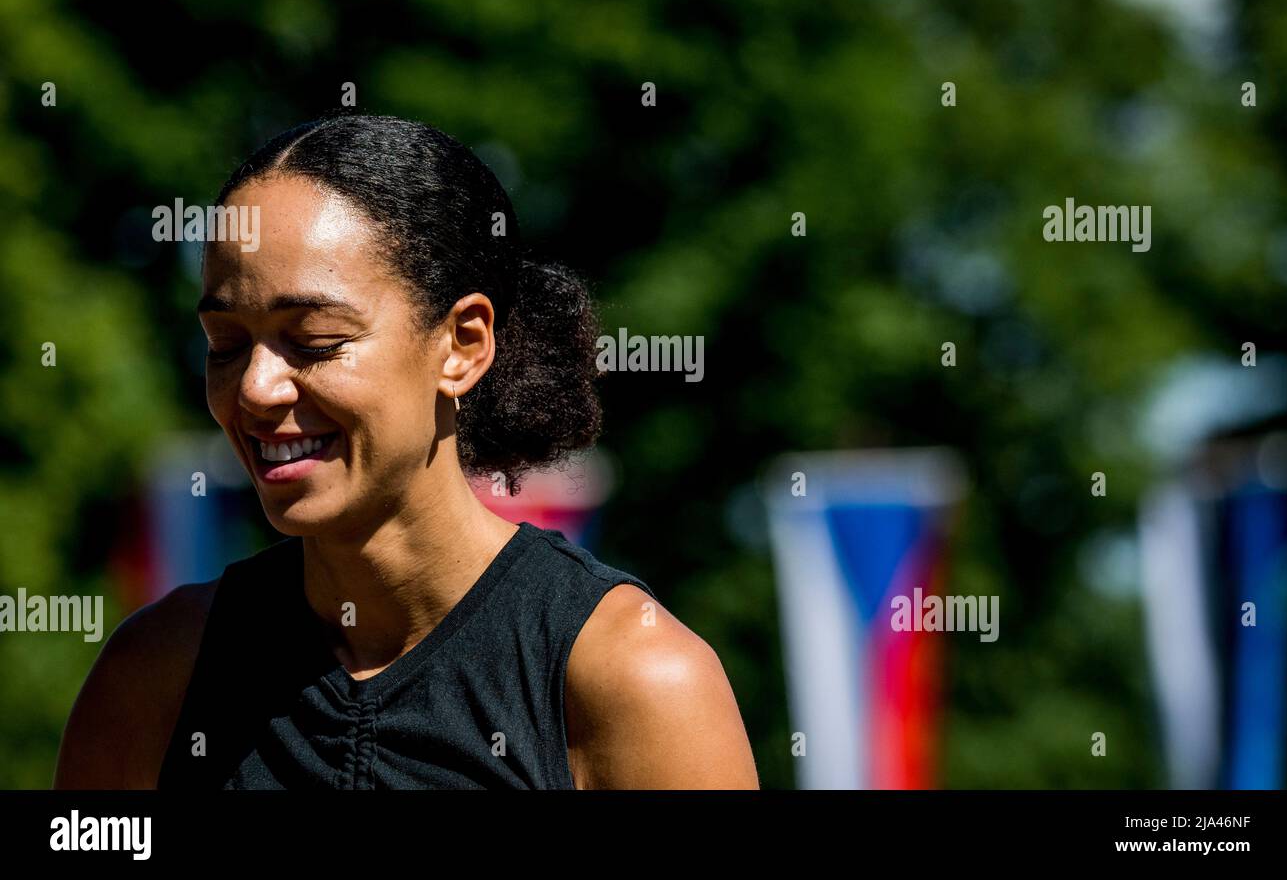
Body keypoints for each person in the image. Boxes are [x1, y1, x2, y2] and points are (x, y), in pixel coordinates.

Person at [54, 114, 760, 789]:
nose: (257, 389)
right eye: (226, 346)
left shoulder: (629, 677)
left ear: (462, 345)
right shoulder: (161, 672)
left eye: (315, 340)